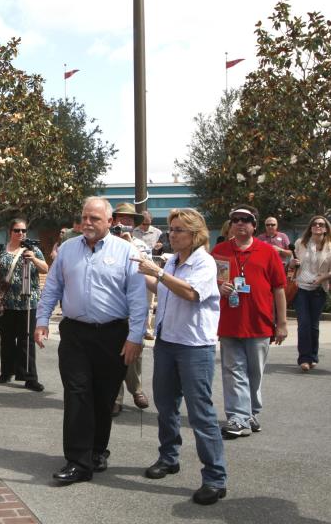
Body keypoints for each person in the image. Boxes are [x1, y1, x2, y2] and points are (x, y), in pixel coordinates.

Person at [34, 197, 147, 484]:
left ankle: (97, 450)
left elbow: (137, 298)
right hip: (76, 334)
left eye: (95, 218)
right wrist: (41, 321)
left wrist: (135, 337)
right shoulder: (68, 250)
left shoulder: (126, 252)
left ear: (110, 222)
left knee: (104, 396)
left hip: (113, 335)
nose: (87, 223)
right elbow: (52, 289)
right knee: (77, 394)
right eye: (85, 217)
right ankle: (77, 460)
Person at [133, 208, 227, 506]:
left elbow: (190, 293)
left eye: (178, 230)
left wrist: (157, 272)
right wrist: (139, 271)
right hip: (167, 342)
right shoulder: (174, 260)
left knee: (201, 413)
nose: (172, 234)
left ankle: (215, 478)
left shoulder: (205, 262)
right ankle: (169, 457)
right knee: (165, 405)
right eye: (171, 229)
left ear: (195, 235)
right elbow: (162, 286)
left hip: (194, 346)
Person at [212, 205, 287, 439]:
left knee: (254, 373)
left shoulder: (268, 252)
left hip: (259, 323)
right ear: (231, 224)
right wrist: (218, 286)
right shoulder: (220, 251)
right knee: (233, 372)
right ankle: (238, 417)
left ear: (254, 225)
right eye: (236, 220)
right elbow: (210, 282)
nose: (240, 223)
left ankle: (251, 412)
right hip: (230, 322)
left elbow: (279, 288)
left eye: (245, 220)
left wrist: (282, 323)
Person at [0, 218, 48, 392]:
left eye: (24, 231)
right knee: (7, 340)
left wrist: (33, 258)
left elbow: (46, 268)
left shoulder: (33, 250)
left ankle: (29, 377)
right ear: (10, 232)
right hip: (6, 302)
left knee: (27, 341)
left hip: (28, 303)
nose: (21, 234)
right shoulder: (0, 250)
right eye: (17, 230)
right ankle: (6, 371)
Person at [111, 202, 150, 413]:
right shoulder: (105, 243)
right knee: (115, 351)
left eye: (129, 219)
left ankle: (136, 388)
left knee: (136, 349)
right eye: (121, 218)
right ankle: (116, 398)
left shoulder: (141, 245)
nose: (124, 222)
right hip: (113, 306)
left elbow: (146, 267)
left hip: (135, 306)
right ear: (114, 220)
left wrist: (128, 245)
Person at [291, 216, 331, 372]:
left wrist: (323, 278)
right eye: (315, 224)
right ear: (310, 227)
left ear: (326, 228)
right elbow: (291, 263)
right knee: (303, 324)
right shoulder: (300, 243)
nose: (318, 226)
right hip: (301, 288)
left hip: (319, 289)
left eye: (321, 224)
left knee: (313, 325)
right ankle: (304, 358)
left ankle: (313, 355)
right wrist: (292, 263)